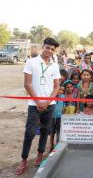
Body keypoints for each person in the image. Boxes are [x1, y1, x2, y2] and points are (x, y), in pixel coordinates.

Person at [15, 37, 60, 175]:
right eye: (47, 47)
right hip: (34, 105)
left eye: (52, 49)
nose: (49, 51)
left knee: (45, 131)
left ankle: (40, 155)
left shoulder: (55, 65)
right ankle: (24, 159)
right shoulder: (31, 62)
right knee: (29, 132)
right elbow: (27, 84)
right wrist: (38, 102)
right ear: (43, 46)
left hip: (49, 105)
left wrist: (46, 102)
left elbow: (57, 86)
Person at [49, 85, 65, 152]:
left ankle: (57, 146)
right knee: (52, 132)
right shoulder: (51, 96)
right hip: (52, 117)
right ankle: (51, 145)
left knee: (59, 132)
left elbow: (64, 106)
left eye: (61, 90)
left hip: (60, 117)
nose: (60, 91)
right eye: (59, 89)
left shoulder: (63, 97)